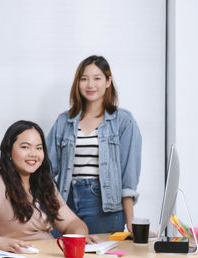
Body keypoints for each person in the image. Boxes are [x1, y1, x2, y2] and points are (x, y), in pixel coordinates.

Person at [0, 120, 97, 253]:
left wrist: (79, 237)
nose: (33, 154)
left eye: (39, 148)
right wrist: (2, 243)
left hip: (46, 253)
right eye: (25, 147)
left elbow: (72, 222)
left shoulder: (45, 185)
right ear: (9, 151)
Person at [46, 55, 142, 234]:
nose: (90, 85)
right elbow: (45, 170)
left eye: (97, 78)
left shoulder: (123, 121)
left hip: (104, 207)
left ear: (108, 81)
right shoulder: (63, 121)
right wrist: (45, 209)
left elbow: (128, 178)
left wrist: (131, 223)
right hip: (65, 203)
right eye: (84, 79)